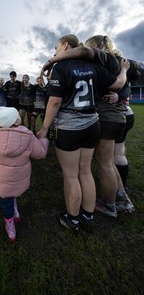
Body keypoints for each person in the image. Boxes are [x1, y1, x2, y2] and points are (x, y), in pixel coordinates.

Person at [37, 34, 129, 232]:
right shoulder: (94, 66)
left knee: (71, 175)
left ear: (66, 46)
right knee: (85, 171)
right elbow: (117, 85)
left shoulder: (60, 67)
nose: (55, 52)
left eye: (57, 48)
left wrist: (44, 128)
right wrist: (123, 71)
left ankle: (73, 219)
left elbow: (54, 101)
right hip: (92, 123)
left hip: (70, 125)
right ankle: (88, 215)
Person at [0, 106, 49, 241]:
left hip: (2, 179)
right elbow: (41, 153)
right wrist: (44, 140)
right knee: (12, 193)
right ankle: (10, 220)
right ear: (15, 121)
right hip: (19, 177)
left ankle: (10, 220)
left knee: (6, 197)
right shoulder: (29, 137)